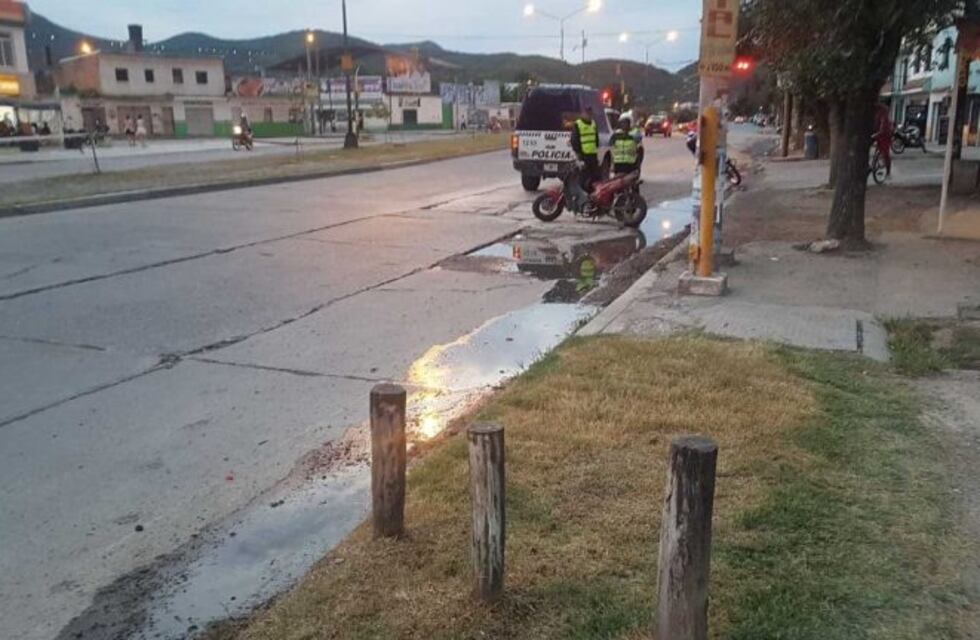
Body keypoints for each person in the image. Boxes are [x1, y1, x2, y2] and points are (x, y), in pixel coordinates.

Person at [571, 106, 601, 190]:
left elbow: (596, 138)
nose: (589, 115)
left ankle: (592, 195)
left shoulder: (593, 123)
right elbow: (574, 140)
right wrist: (579, 156)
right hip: (583, 155)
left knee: (595, 177)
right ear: (583, 114)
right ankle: (583, 196)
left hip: (593, 155)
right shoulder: (578, 124)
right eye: (587, 113)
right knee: (584, 177)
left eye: (590, 113)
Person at [874, 103, 893, 180]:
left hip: (884, 135)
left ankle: (888, 172)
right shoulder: (875, 114)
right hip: (877, 133)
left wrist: (877, 134)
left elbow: (883, 127)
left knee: (885, 153)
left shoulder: (884, 116)